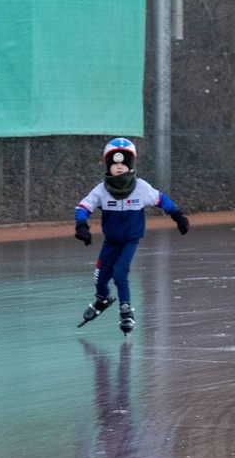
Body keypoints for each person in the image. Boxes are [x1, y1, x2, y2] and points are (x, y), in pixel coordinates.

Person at [74, 138, 189, 334]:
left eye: (124, 163)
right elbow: (83, 206)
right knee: (100, 279)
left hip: (130, 240)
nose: (119, 167)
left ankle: (126, 310)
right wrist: (82, 225)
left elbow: (161, 199)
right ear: (107, 165)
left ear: (131, 165)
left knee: (120, 273)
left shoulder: (141, 188)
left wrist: (178, 216)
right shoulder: (102, 190)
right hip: (111, 241)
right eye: (114, 163)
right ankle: (103, 298)